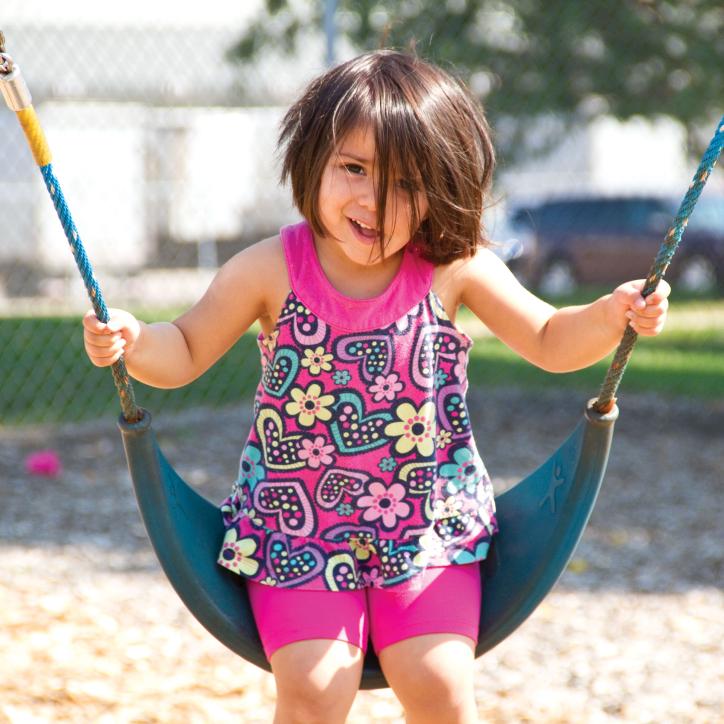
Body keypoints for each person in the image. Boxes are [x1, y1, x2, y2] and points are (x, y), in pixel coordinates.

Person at [83, 50, 669, 724]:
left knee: (440, 686)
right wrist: (133, 341)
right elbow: (183, 349)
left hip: (426, 528)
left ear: (441, 186)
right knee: (314, 685)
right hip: (297, 529)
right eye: (353, 168)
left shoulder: (455, 266)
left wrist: (610, 315)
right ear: (314, 162)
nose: (372, 200)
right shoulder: (269, 269)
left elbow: (548, 338)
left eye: (404, 181)